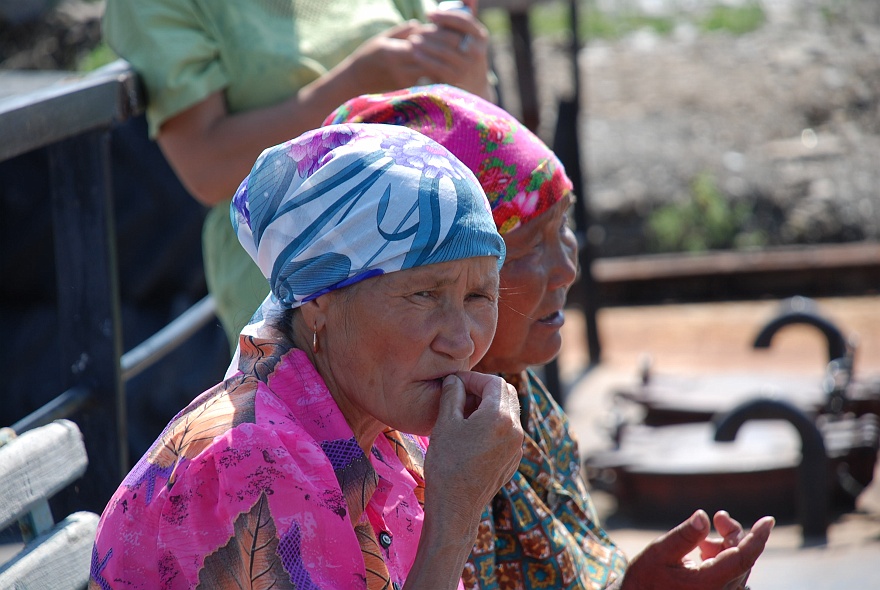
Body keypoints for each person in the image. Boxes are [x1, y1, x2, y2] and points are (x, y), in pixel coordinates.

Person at [327, 85, 775, 590]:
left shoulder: (524, 404)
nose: (565, 269)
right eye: (523, 251)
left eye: (564, 226)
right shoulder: (376, 459)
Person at [90, 124, 525, 588]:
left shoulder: (383, 431)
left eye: (480, 296)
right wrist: (455, 517)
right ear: (320, 298)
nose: (461, 342)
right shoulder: (255, 462)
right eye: (423, 294)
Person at [102, 0, 494, 348]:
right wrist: (358, 85)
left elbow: (474, 119)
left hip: (453, 265)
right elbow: (208, 168)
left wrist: (469, 81)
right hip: (306, 287)